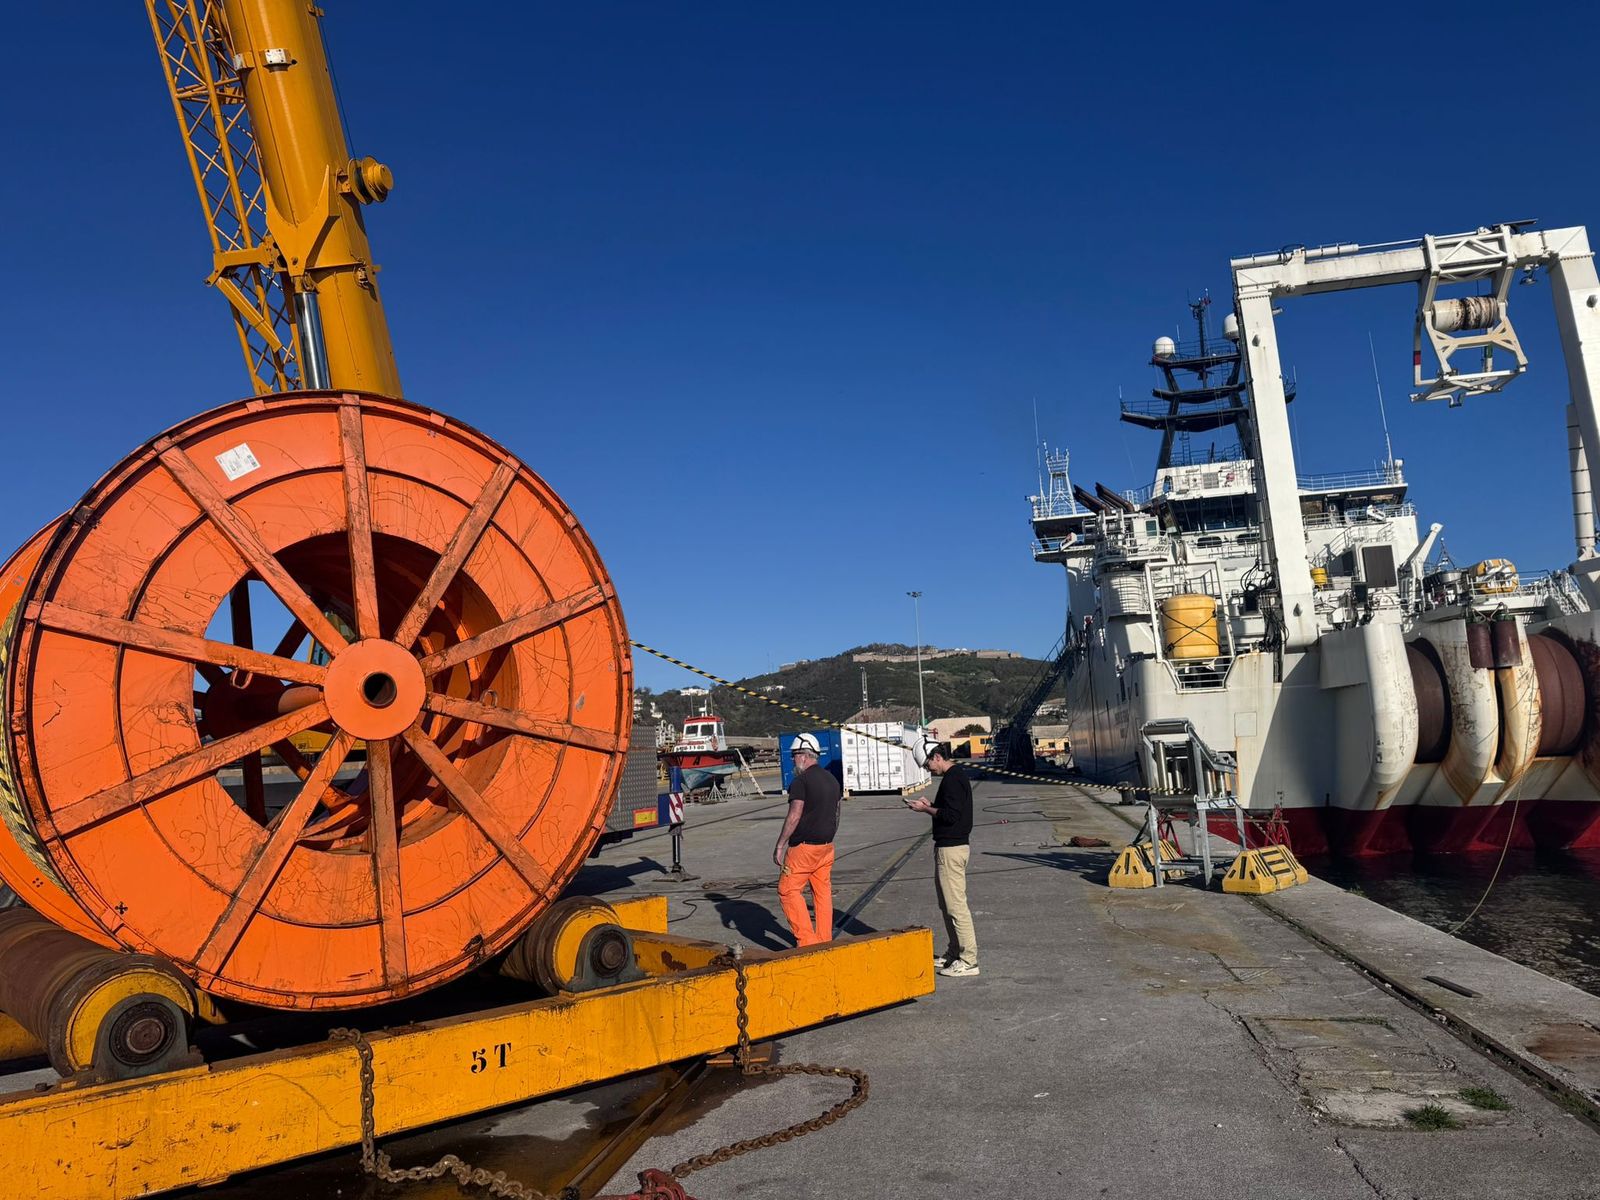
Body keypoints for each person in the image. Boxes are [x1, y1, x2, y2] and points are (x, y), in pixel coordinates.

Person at [906, 739, 978, 977]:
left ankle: (969, 960)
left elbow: (951, 816)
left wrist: (926, 809)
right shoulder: (953, 778)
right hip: (949, 847)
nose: (928, 770)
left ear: (937, 756)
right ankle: (954, 952)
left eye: (928, 765)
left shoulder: (954, 778)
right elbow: (949, 811)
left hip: (952, 849)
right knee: (947, 904)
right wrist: (931, 805)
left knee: (956, 906)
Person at [774, 733, 841, 947]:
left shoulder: (800, 781)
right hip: (826, 848)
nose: (793, 760)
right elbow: (837, 812)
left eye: (794, 756)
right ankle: (824, 940)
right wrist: (828, 835)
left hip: (804, 849)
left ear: (803, 755)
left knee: (788, 890)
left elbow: (794, 815)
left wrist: (780, 844)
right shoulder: (831, 779)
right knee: (821, 893)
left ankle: (807, 942)